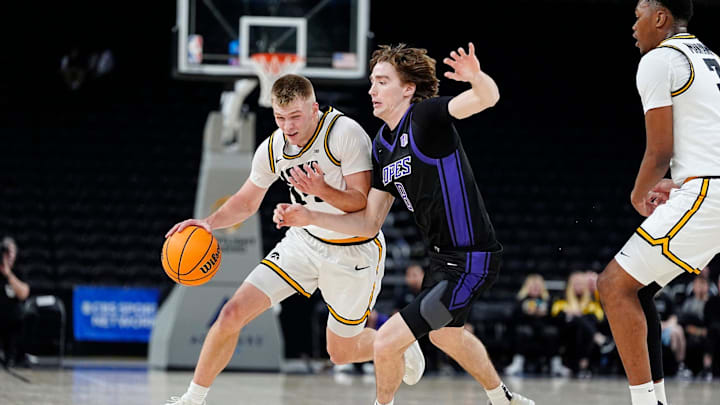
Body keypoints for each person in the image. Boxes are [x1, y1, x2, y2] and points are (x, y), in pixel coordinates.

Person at [275, 43, 534, 405]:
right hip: (443, 261)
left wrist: (476, 78)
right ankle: (503, 399)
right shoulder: (382, 147)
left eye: (382, 82)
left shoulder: (425, 117)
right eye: (372, 82)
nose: (372, 90)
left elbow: (486, 99)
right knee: (447, 337)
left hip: (471, 259)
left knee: (386, 340)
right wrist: (309, 216)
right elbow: (368, 223)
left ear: (407, 89)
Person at [164, 74, 424, 405]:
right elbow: (246, 201)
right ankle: (192, 398)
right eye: (280, 117)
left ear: (314, 109)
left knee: (340, 353)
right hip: (303, 240)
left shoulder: (343, 134)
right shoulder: (274, 147)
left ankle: (395, 340)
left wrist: (321, 191)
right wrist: (208, 222)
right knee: (231, 314)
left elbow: (362, 204)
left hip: (353, 251)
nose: (288, 126)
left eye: (295, 117)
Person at [596, 1, 720, 404]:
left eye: (638, 14)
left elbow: (660, 149)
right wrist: (684, 181)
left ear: (661, 18)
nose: (633, 25)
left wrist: (638, 195)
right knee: (639, 287)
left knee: (613, 287)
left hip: (708, 194)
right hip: (707, 187)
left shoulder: (660, 58)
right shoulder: (710, 57)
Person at [551, 272, 605, 378]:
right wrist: (569, 314)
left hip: (582, 336)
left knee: (582, 325)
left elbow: (599, 317)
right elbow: (555, 315)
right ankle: (596, 338)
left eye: (580, 284)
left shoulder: (591, 299)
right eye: (575, 284)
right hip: (566, 333)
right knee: (578, 323)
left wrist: (579, 315)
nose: (578, 287)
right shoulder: (561, 298)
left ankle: (581, 363)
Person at [0, 236, 30, 368]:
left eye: (12, 251)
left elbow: (24, 293)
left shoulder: (19, 270)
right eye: (6, 251)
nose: (9, 255)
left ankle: (14, 356)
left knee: (19, 318)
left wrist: (8, 274)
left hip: (13, 319)